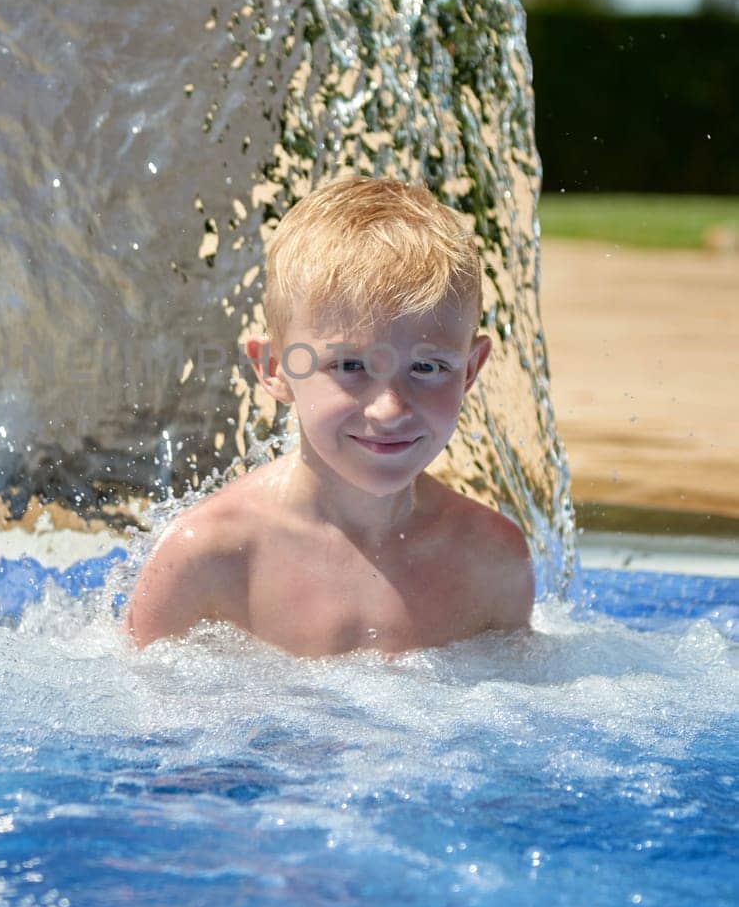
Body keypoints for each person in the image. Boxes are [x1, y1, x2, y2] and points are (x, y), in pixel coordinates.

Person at [126, 175, 534, 656]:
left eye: (427, 367)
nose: (389, 409)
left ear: (469, 370)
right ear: (275, 369)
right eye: (349, 366)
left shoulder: (492, 561)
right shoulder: (207, 557)